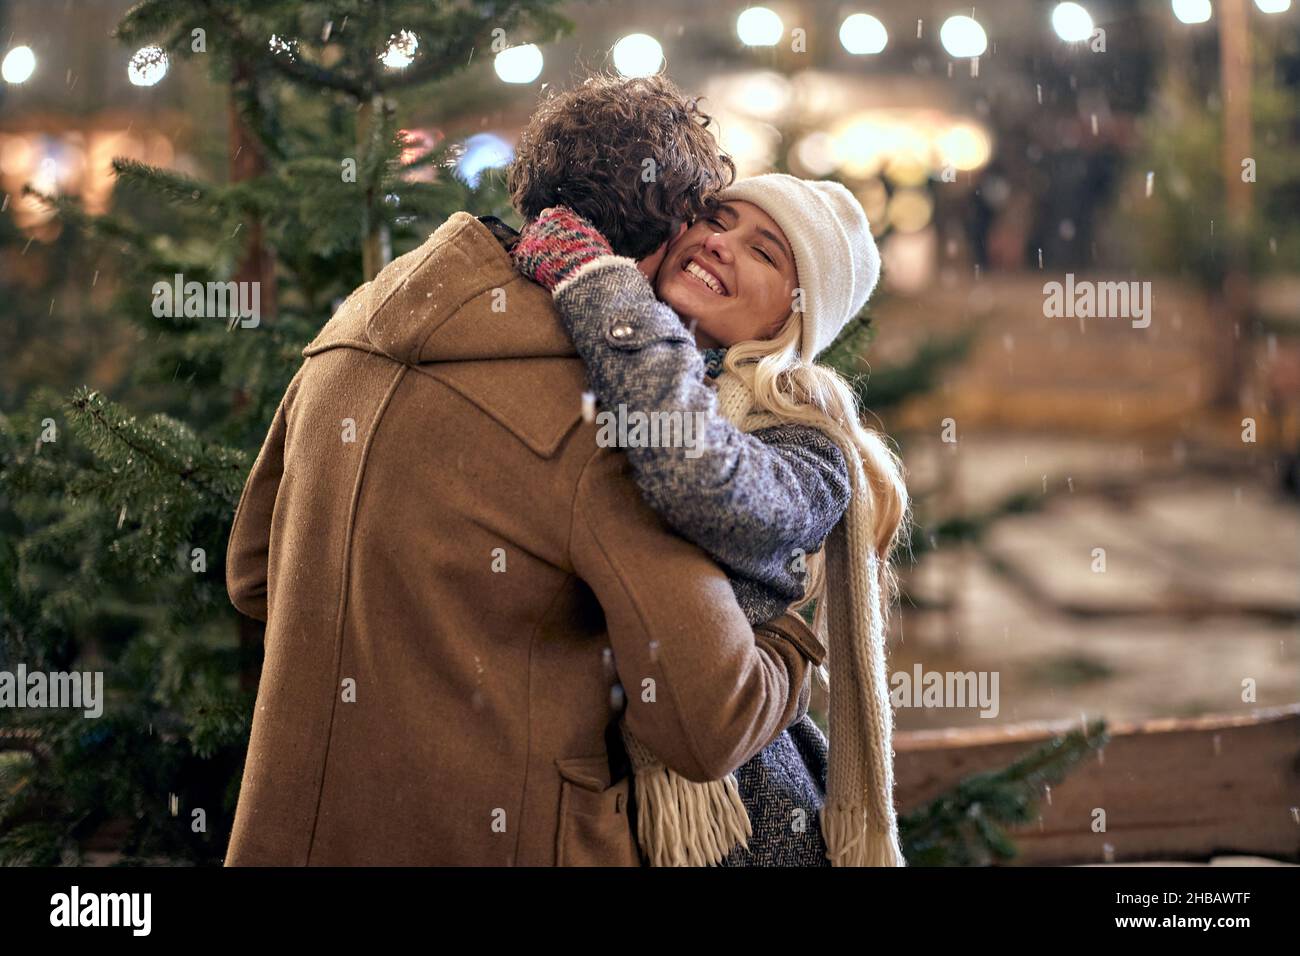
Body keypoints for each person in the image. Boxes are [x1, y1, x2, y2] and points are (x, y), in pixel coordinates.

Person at [222, 74, 827, 866]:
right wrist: (789, 642)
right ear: (673, 231)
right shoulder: (603, 421)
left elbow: (254, 575)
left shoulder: (353, 326)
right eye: (708, 224)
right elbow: (705, 721)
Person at [510, 173, 912, 866]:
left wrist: (604, 289)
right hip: (567, 796)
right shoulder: (592, 360)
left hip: (741, 829)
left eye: (764, 252)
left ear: (793, 319)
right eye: (716, 219)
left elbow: (694, 479)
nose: (720, 244)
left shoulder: (811, 453)